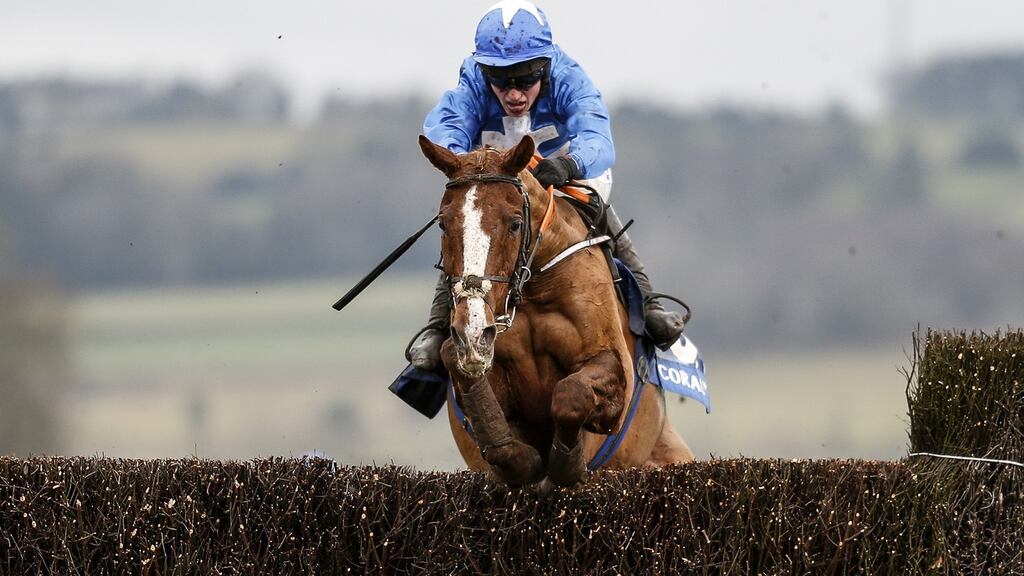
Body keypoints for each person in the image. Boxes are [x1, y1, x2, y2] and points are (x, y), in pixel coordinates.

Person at [407, 0, 686, 370]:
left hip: (565, 168)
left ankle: (649, 305)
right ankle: (438, 326)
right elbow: (446, 125)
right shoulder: (473, 80)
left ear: (546, 66)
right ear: (485, 70)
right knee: (469, 224)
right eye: (502, 82)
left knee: (596, 203)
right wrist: (463, 163)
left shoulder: (571, 78)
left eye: (525, 79)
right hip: (497, 173)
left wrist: (570, 164)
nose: (514, 94)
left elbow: (598, 138)